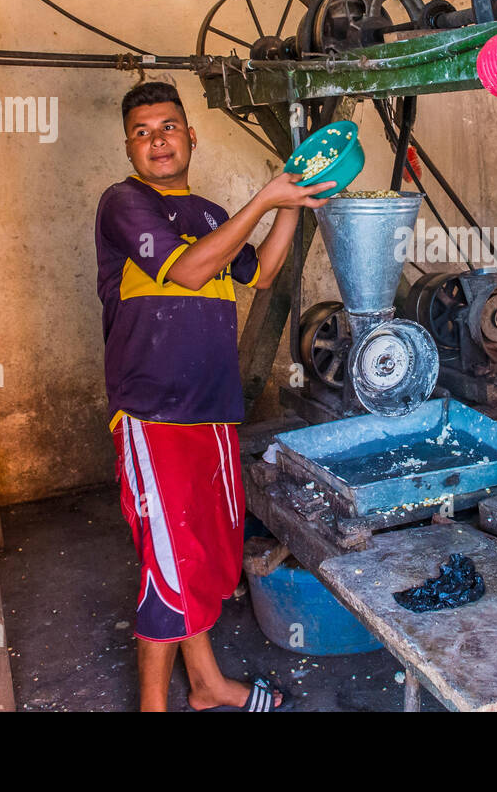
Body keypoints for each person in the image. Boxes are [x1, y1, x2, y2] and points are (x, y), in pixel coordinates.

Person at [94, 81, 332, 711]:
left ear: (190, 136)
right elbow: (191, 269)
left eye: (168, 127)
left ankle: (204, 684)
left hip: (212, 411)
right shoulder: (124, 204)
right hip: (154, 418)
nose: (157, 142)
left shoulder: (204, 213)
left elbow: (264, 271)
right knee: (168, 564)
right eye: (142, 133)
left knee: (202, 556)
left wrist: (293, 200)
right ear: (128, 147)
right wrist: (264, 197)